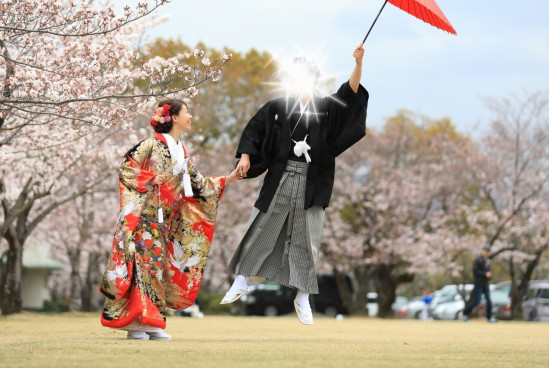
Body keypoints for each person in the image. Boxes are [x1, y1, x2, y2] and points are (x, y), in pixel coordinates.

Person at [221, 44, 368, 325]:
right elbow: (255, 129)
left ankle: (302, 295)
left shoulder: (326, 107)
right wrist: (245, 155)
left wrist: (358, 64)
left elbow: (349, 94)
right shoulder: (278, 106)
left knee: (307, 236)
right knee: (263, 223)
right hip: (282, 175)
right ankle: (242, 279)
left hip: (313, 180)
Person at [100, 99, 241, 340]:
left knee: (156, 270)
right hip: (145, 217)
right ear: (173, 117)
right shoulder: (151, 144)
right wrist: (148, 179)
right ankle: (136, 325)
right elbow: (127, 168)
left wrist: (228, 179)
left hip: (165, 221)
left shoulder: (181, 151)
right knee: (143, 269)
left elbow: (198, 183)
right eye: (187, 112)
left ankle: (152, 321)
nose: (191, 116)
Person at [461, 243, 496, 322]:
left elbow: (488, 271)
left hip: (486, 284)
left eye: (488, 251)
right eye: (486, 251)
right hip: (478, 283)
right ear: (483, 251)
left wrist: (489, 276)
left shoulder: (488, 261)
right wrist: (485, 274)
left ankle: (489, 317)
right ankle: (464, 313)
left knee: (489, 300)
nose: (487, 252)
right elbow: (475, 270)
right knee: (477, 301)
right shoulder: (478, 260)